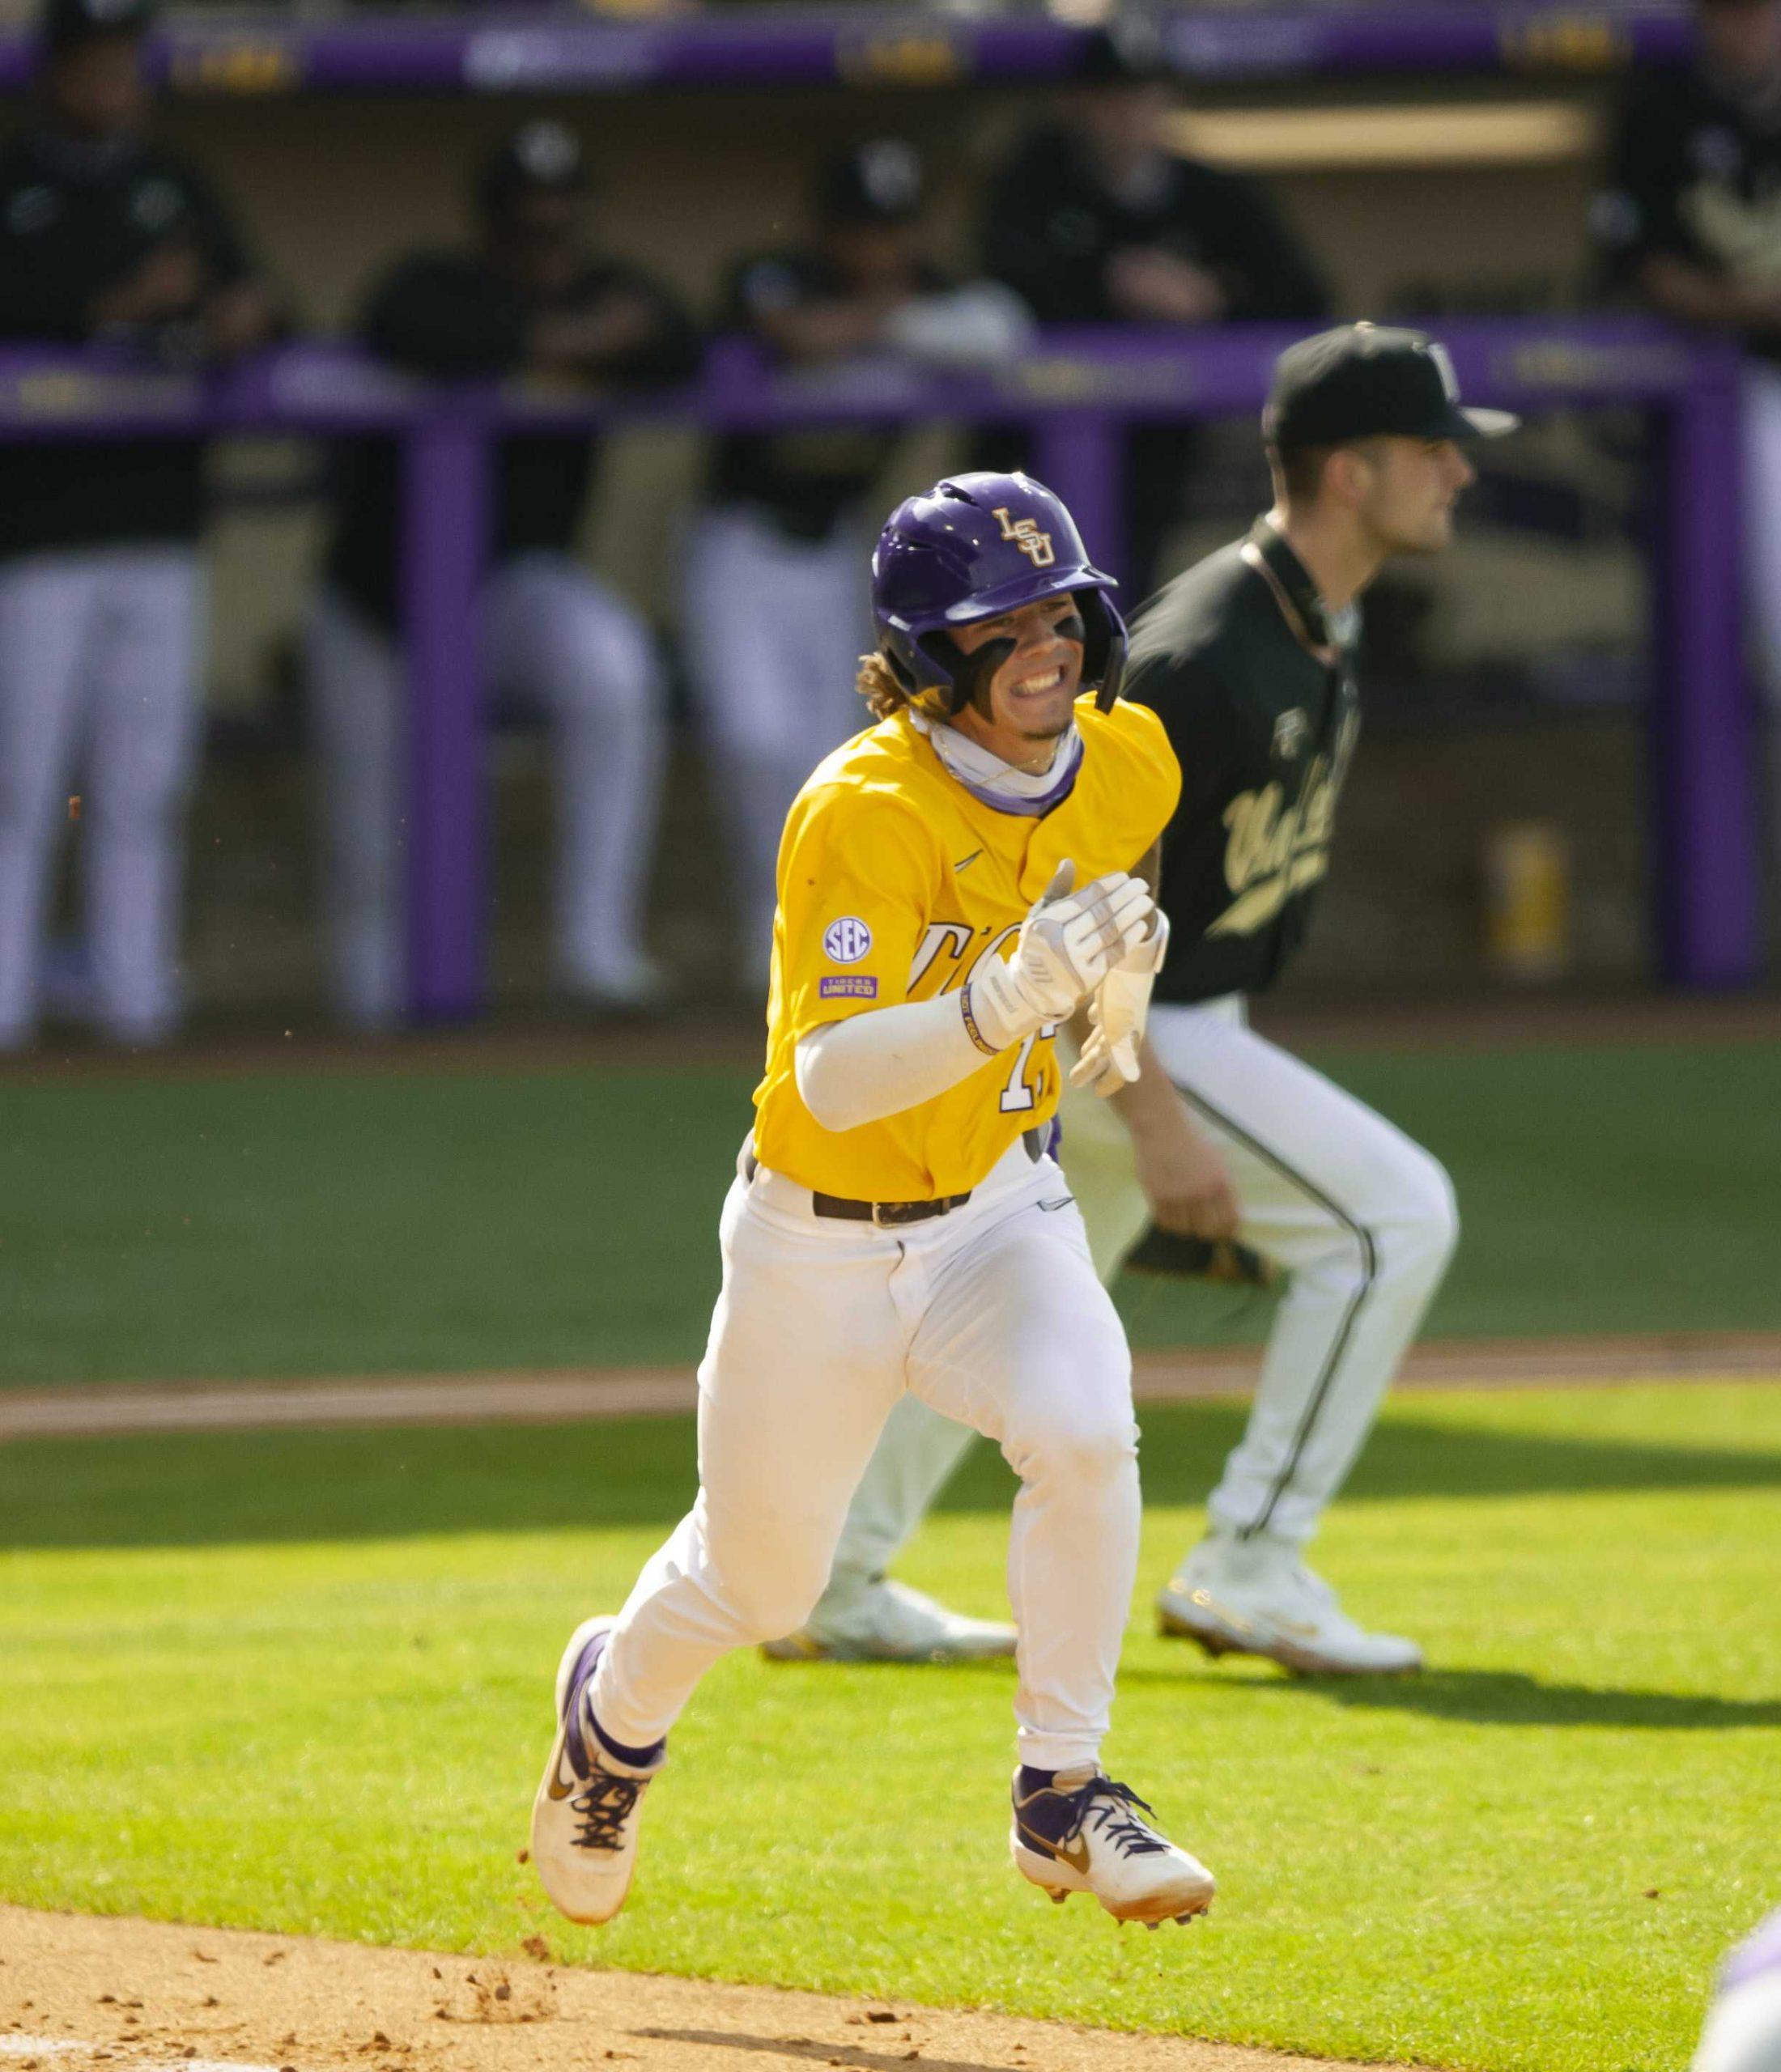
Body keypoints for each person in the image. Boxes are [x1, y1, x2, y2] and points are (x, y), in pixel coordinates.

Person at [530, 470, 1215, 1933]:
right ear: (923, 657)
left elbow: (1125, 871)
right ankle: (612, 1714)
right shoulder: (861, 809)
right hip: (815, 1241)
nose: (1048, 648)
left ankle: (1062, 1791)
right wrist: (1001, 998)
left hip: (993, 1210)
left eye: (1063, 613)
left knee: (1088, 1431)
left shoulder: (1128, 755)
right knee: (760, 1585)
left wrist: (1120, 964)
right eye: (1000, 626)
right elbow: (835, 1081)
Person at [785, 324, 1508, 1679]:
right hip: (1117, 1026)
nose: (1460, 471)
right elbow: (1070, 915)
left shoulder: (1315, 617)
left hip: (1162, 1024)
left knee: (1029, 1283)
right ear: (1350, 472)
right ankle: (1251, 1556)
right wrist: (1156, 1113)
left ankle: (835, 1572)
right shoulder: (1199, 652)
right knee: (1395, 1219)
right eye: (1433, 448)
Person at [310, 121, 699, 1028]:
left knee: (613, 671)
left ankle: (595, 950)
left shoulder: (612, 286)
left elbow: (678, 335)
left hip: (509, 588)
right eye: (529, 223)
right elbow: (421, 330)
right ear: (491, 224)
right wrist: (569, 341)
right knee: (374, 840)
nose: (548, 239)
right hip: (375, 602)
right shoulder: (433, 282)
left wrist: (566, 338)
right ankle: (367, 1023)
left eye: (563, 221)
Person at [685, 139, 1032, 987]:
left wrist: (900, 323)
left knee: (832, 760)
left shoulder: (934, 290)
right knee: (753, 740)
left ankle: (812, 951)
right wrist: (894, 326)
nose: (879, 249)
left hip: (836, 547)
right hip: (739, 543)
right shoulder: (771, 271)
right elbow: (789, 331)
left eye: (893, 229)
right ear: (826, 228)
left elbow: (1005, 330)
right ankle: (765, 942)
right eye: (861, 229)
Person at [0, 0, 278, 1049]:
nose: (114, 81)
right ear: (54, 70)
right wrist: (113, 303)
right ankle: (8, 1009)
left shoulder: (174, 183)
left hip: (159, 530)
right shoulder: (16, 182)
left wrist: (232, 312)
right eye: (94, 62)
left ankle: (133, 1004)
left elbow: (265, 300)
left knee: (144, 783)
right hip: (32, 543)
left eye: (126, 60)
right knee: (19, 782)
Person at [976, 19, 1328, 597]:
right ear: (1075, 104)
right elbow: (999, 282)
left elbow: (1304, 301)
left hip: (1161, 456)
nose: (1129, 113)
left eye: (1144, 94)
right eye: (1110, 97)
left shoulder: (1215, 197)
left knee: (1135, 607)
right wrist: (1108, 276)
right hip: (1029, 451)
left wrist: (1211, 298)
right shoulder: (1033, 185)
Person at [1592, 0, 1781, 885]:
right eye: (1729, 14)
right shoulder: (1660, 111)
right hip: (1736, 384)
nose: (1743, 29)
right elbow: (1640, 265)